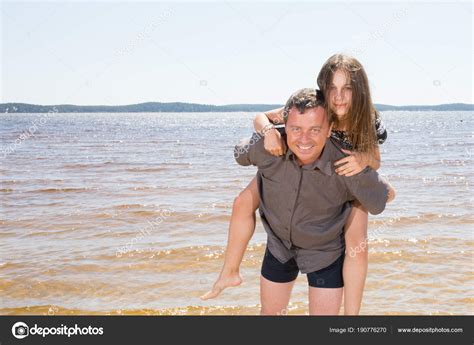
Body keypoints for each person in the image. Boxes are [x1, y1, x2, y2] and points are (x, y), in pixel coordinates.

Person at [202, 54, 388, 315]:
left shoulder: (364, 117)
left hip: (346, 175)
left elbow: (376, 162)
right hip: (290, 167)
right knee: (243, 201)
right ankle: (230, 271)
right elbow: (261, 118)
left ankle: (351, 317)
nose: (339, 97)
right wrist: (269, 133)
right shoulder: (309, 107)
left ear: (359, 90)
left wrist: (362, 160)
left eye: (347, 88)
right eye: (332, 88)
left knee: (357, 237)